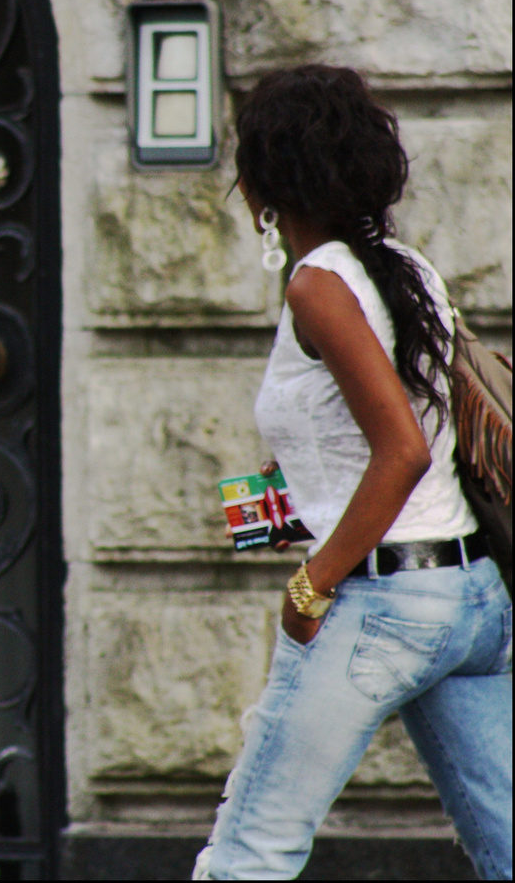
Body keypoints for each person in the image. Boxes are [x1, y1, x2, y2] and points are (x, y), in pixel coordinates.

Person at [193, 65, 511, 880]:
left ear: (265, 183)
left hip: (380, 603)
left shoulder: (319, 286)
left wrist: (312, 586)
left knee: (245, 855)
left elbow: (400, 450)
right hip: (471, 600)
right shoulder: (406, 270)